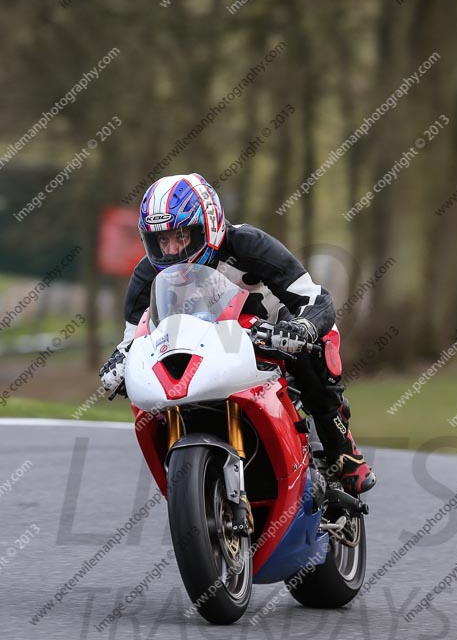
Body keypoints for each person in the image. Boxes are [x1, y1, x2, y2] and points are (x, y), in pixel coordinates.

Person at [99, 173, 376, 496]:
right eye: (162, 241)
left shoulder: (249, 244)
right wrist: (120, 362)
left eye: (181, 236)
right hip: (203, 346)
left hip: (273, 329)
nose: (172, 250)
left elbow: (315, 298)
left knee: (313, 355)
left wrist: (301, 329)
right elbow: (135, 339)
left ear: (209, 226)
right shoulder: (147, 275)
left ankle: (340, 448)